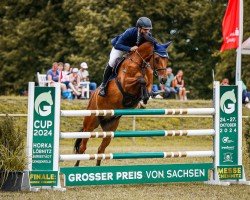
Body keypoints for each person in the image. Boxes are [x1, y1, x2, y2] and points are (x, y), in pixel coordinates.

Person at [99, 17, 153, 97]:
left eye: (148, 29)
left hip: (133, 51)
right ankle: (103, 85)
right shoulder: (129, 32)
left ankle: (149, 90)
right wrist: (130, 48)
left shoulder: (148, 35)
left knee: (145, 64)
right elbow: (118, 45)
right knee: (112, 62)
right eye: (145, 29)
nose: (147, 31)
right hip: (120, 48)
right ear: (139, 27)